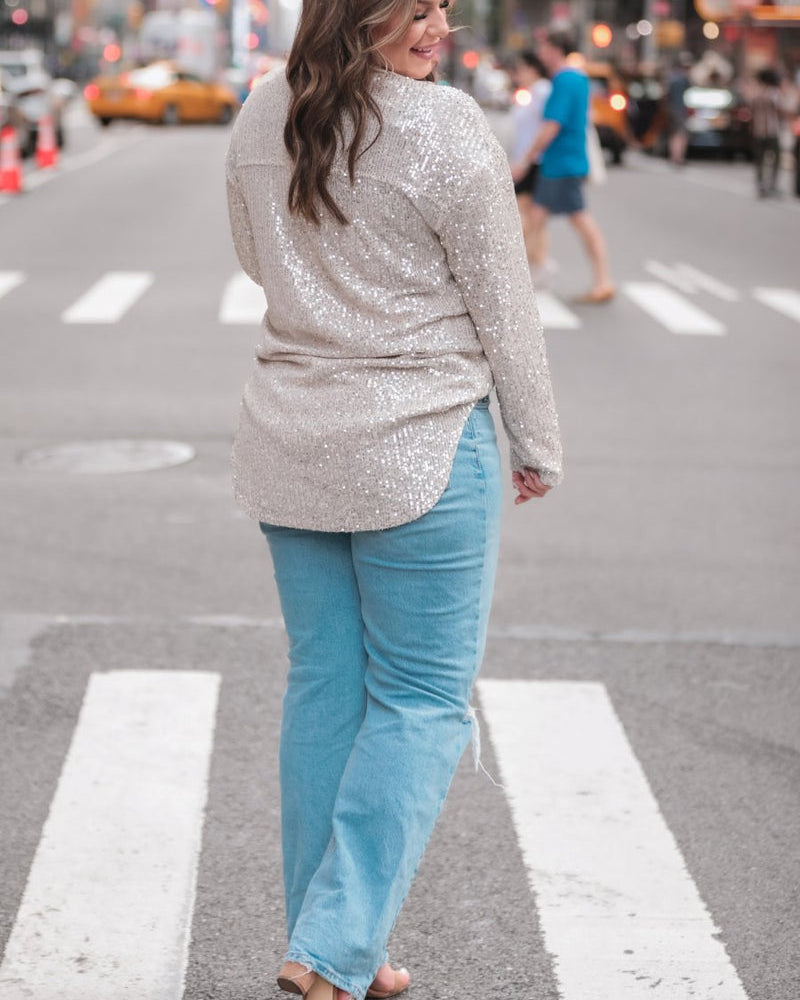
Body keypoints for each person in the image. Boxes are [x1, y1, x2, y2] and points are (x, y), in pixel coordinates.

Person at [225, 2, 563, 1000]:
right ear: (359, 13)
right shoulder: (446, 125)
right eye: (414, 9)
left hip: (291, 431)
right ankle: (333, 947)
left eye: (443, 8)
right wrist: (536, 440)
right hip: (419, 435)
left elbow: (255, 254)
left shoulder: (261, 113)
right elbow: (502, 300)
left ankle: (336, 943)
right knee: (419, 701)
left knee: (325, 688)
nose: (439, 26)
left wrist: (328, 292)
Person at [512, 27, 614, 304]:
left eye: (544, 48)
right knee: (535, 219)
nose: (541, 53)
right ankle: (528, 275)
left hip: (562, 163)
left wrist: (526, 159)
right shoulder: (576, 78)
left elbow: (551, 125)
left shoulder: (565, 80)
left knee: (572, 220)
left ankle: (602, 280)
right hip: (564, 162)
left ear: (555, 50)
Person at [509, 50, 553, 284]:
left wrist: (526, 160)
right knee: (531, 214)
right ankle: (537, 262)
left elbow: (547, 127)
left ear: (533, 69)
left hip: (536, 160)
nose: (517, 74)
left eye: (521, 69)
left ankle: (526, 261)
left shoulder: (543, 91)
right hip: (527, 159)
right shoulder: (530, 92)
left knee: (524, 214)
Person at [750, 67, 783, 198]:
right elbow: (780, 109)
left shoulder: (756, 92)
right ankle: (772, 184)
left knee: (760, 159)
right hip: (771, 130)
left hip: (758, 130)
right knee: (775, 158)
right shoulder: (773, 93)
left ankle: (761, 183)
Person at [665, 53, 692, 167]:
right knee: (680, 134)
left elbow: (666, 94)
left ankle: (673, 156)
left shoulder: (671, 78)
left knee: (673, 134)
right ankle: (678, 157)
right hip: (680, 109)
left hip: (672, 108)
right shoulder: (683, 79)